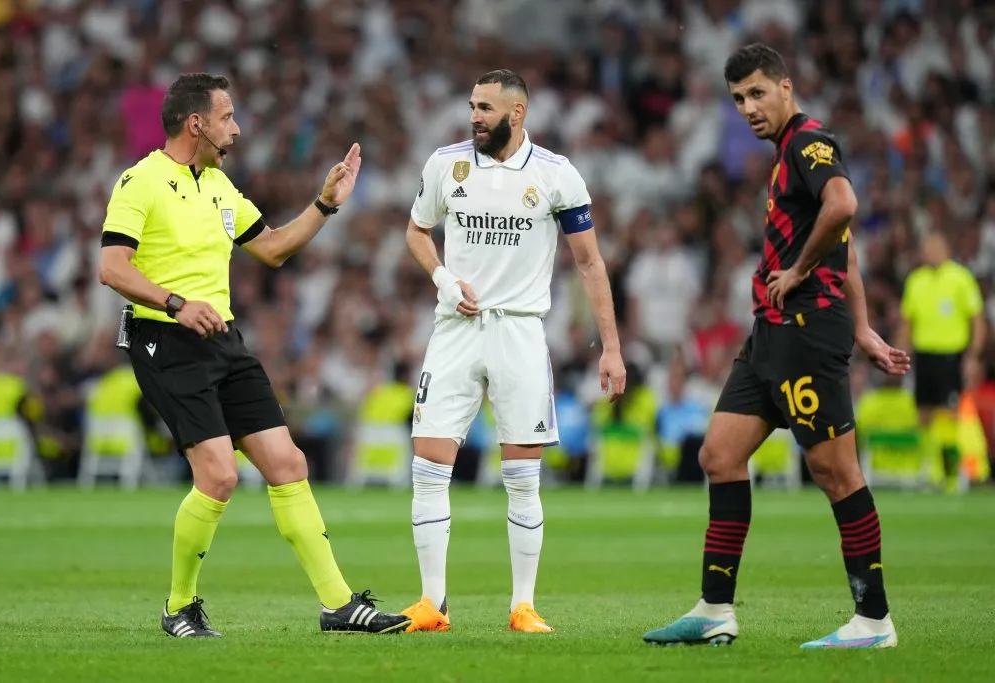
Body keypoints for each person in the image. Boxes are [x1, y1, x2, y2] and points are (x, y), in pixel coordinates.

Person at [98, 73, 411, 638]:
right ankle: (179, 608)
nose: (236, 129)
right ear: (197, 123)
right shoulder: (139, 181)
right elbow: (112, 267)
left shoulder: (218, 185)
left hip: (223, 340)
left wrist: (324, 204)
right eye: (227, 117)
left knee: (288, 464)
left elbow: (271, 249)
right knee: (218, 476)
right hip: (165, 340)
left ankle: (338, 606)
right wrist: (174, 304)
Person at [641, 44, 910, 650]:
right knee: (719, 454)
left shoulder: (810, 142)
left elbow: (844, 206)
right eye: (738, 99)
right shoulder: (784, 154)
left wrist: (797, 271)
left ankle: (874, 622)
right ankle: (715, 609)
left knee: (835, 472)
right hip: (770, 336)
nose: (748, 107)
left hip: (807, 330)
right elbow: (847, 242)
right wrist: (865, 328)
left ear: (786, 87)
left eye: (758, 93)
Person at [401, 69, 627, 633]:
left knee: (523, 477)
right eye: (471, 105)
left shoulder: (556, 175)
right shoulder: (445, 165)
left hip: (520, 332)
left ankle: (522, 606)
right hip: (454, 328)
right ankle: (433, 604)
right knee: (429, 469)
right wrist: (443, 279)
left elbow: (590, 263)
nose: (474, 116)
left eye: (484, 108)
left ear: (517, 113)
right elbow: (416, 231)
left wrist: (612, 348)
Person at [899, 231, 985, 492]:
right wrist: (900, 354)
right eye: (927, 247)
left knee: (948, 416)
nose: (931, 252)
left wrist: (972, 356)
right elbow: (907, 323)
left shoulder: (960, 278)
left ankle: (949, 474)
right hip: (924, 357)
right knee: (923, 415)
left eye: (935, 246)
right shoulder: (916, 281)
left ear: (946, 249)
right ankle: (928, 471)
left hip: (951, 357)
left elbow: (977, 322)